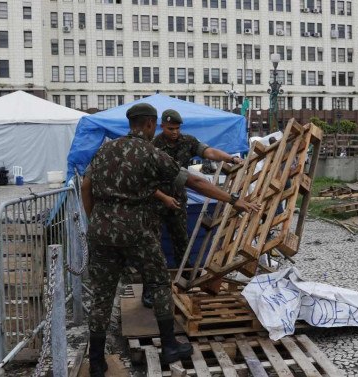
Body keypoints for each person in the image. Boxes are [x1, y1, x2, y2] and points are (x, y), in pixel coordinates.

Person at [81, 103, 259, 376]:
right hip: (136, 229)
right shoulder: (150, 152)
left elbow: (86, 186)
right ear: (152, 124)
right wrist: (234, 200)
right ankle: (169, 345)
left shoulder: (105, 150)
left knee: (103, 295)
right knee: (159, 282)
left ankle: (96, 361)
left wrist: (95, 220)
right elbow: (195, 182)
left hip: (101, 231)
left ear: (131, 124)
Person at [141, 109, 243, 307]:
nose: (175, 132)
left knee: (181, 240)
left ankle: (184, 278)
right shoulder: (153, 146)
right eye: (171, 128)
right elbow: (145, 183)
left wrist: (230, 158)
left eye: (177, 128)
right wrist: (164, 198)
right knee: (151, 247)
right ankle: (150, 289)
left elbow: (209, 152)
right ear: (162, 126)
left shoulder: (187, 141)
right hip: (156, 202)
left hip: (177, 200)